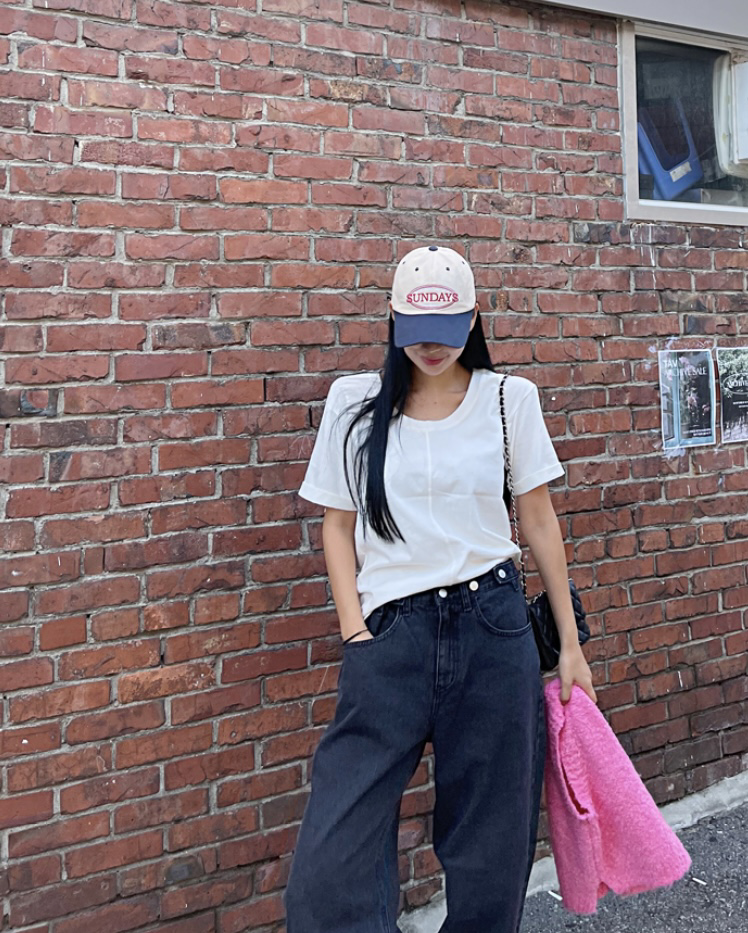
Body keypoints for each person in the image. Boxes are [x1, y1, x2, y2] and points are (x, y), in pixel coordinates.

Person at [283, 245, 596, 933]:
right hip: (389, 638)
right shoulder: (354, 404)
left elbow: (539, 520)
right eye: (417, 329)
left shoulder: (509, 399)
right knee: (330, 872)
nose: (432, 345)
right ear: (393, 318)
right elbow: (338, 526)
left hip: (493, 630)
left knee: (491, 851)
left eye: (448, 329)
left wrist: (570, 647)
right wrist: (355, 632)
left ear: (474, 319)